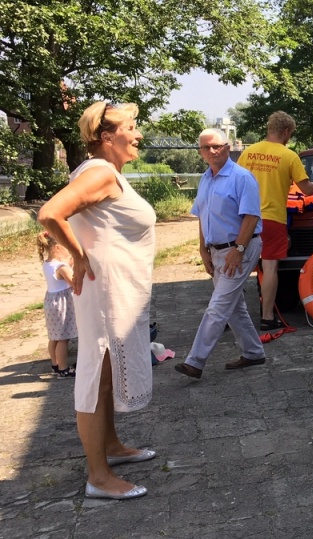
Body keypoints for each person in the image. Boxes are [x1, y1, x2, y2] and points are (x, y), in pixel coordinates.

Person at [38, 101, 156, 500]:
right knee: (96, 377)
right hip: (105, 291)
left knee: (107, 376)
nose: (138, 134)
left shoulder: (101, 172)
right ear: (107, 137)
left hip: (115, 290)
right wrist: (77, 254)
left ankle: (110, 447)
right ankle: (98, 477)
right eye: (131, 127)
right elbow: (50, 213)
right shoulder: (100, 173)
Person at [174, 129, 265, 380]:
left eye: (217, 146)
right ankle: (254, 352)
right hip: (216, 251)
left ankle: (195, 361)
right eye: (206, 148)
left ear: (227, 147)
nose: (212, 151)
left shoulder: (241, 177)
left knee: (218, 307)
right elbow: (203, 216)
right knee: (234, 307)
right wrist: (202, 249)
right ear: (200, 152)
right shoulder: (206, 179)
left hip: (239, 249)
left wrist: (238, 249)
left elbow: (251, 216)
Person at [237, 111, 313, 331]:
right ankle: (268, 317)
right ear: (286, 132)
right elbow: (307, 190)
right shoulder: (289, 156)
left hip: (243, 217)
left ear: (270, 128)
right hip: (271, 219)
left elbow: (235, 183)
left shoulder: (248, 153)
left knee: (236, 265)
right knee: (269, 267)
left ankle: (226, 314)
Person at [37, 231, 78, 378]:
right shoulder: (61, 267)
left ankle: (55, 364)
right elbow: (74, 282)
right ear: (58, 248)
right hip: (62, 305)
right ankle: (63, 368)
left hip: (51, 302)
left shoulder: (47, 263)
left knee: (54, 337)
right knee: (63, 338)